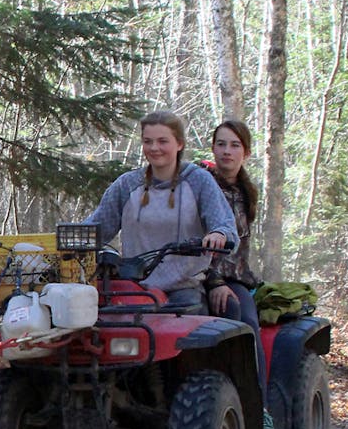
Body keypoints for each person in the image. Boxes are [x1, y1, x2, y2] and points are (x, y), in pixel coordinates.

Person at [83, 110, 237, 311]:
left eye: (162, 141)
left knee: (187, 333)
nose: (154, 148)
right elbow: (97, 229)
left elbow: (225, 224)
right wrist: (64, 243)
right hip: (135, 287)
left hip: (183, 288)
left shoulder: (198, 180)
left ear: (179, 144)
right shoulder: (127, 184)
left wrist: (219, 234)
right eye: (148, 141)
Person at [201, 119, 280, 429]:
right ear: (213, 148)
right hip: (200, 275)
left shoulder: (246, 191)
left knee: (245, 320)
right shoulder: (200, 182)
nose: (227, 151)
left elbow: (238, 250)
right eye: (221, 144)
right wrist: (212, 280)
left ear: (246, 152)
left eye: (234, 145)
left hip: (236, 279)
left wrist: (228, 281)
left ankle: (256, 410)